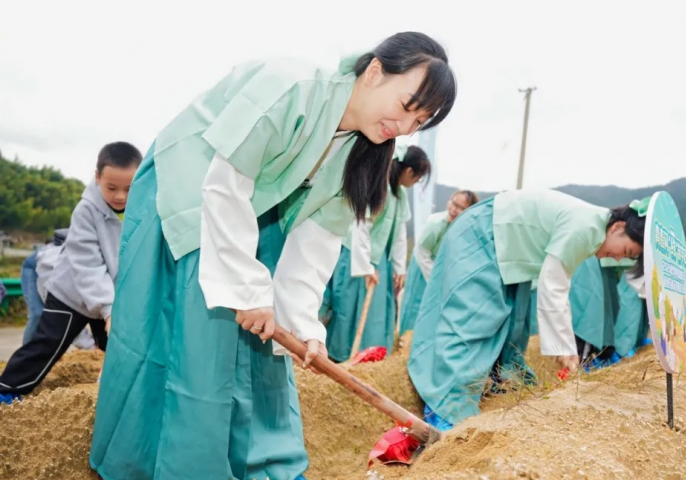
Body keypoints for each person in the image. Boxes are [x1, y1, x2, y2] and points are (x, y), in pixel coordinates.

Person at [89, 32, 456, 480]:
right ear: (376, 71)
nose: (404, 127)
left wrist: (305, 327)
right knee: (195, 342)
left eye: (420, 122)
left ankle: (265, 465)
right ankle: (175, 465)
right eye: (406, 107)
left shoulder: (362, 151)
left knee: (263, 352)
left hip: (250, 215)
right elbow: (225, 184)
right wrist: (248, 289)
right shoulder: (292, 86)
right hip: (188, 189)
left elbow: (316, 241)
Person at [407, 190, 647, 429]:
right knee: (473, 321)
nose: (617, 259)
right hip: (484, 234)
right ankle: (448, 409)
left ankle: (499, 381)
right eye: (625, 252)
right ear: (617, 227)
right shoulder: (586, 227)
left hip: (509, 249)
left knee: (513, 323)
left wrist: (564, 347)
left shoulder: (593, 229)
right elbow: (554, 284)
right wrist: (565, 350)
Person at [0, 142, 142, 405]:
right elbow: (87, 264)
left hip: (111, 296)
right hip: (71, 294)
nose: (120, 196)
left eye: (129, 188)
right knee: (47, 343)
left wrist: (116, 307)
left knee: (123, 343)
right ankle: (7, 388)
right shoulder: (86, 212)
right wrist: (108, 308)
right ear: (98, 177)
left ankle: (122, 393)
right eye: (111, 188)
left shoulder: (142, 210)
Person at [325, 145, 431, 362]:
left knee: (377, 313)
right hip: (357, 254)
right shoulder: (378, 184)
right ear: (409, 172)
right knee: (348, 307)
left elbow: (400, 233)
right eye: (418, 178)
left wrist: (400, 269)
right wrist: (365, 267)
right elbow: (360, 224)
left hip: (380, 258)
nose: (416, 183)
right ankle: (342, 355)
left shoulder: (399, 194)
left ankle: (370, 357)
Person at [398, 189, 478, 335]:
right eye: (454, 203)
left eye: (461, 208)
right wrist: (435, 278)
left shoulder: (464, 228)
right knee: (417, 305)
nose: (454, 209)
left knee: (433, 309)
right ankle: (406, 340)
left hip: (440, 270)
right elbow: (422, 252)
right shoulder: (436, 222)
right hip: (423, 267)